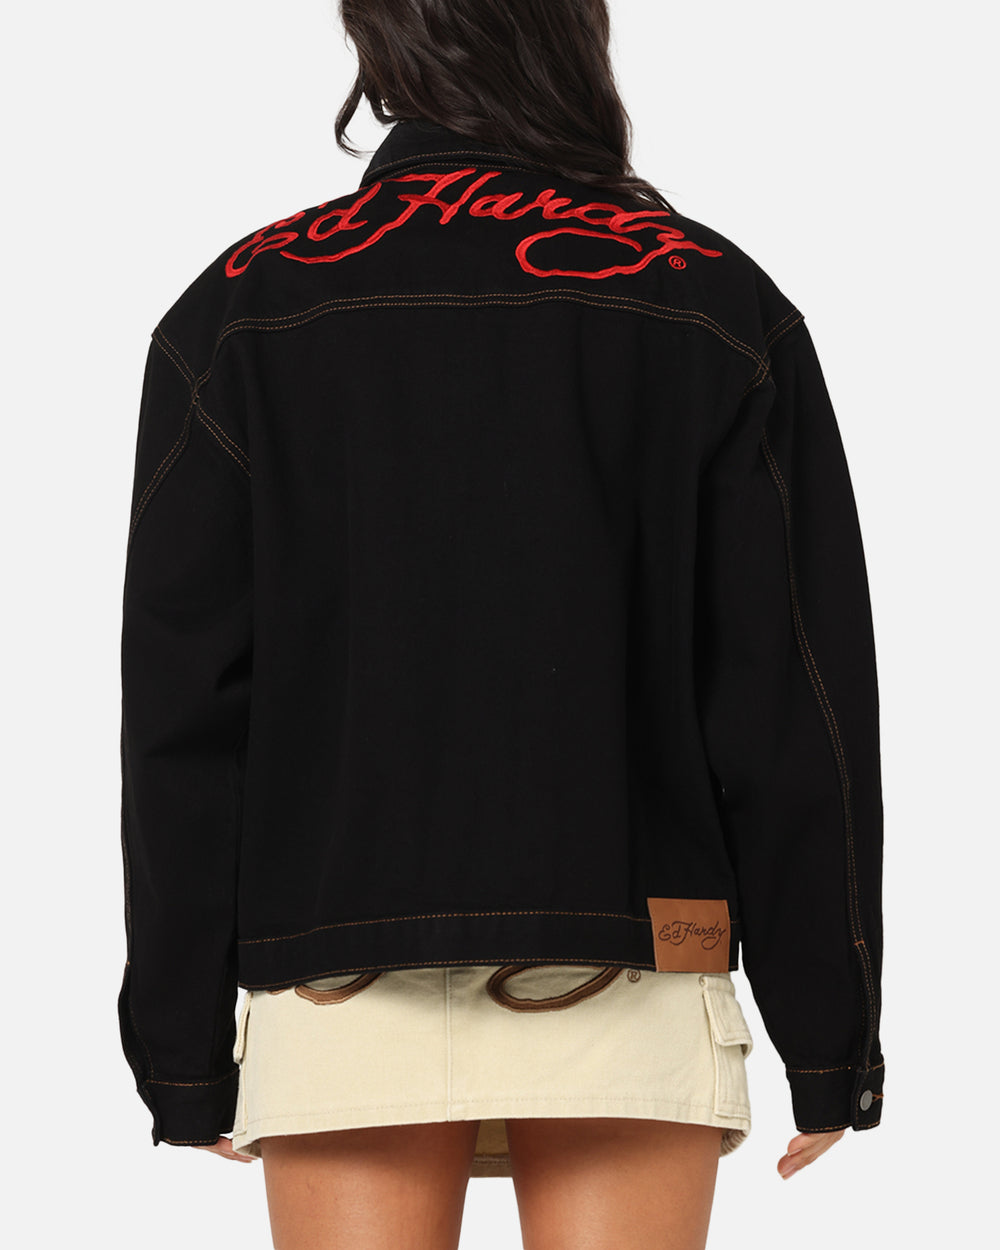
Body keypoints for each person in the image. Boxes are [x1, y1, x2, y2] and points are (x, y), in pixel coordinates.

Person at [116, 2, 885, 1247]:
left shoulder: (244, 304)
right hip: (631, 954)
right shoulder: (705, 293)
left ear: (379, 43)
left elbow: (184, 709)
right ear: (572, 32)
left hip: (336, 966)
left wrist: (179, 1041)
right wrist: (830, 1030)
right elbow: (790, 696)